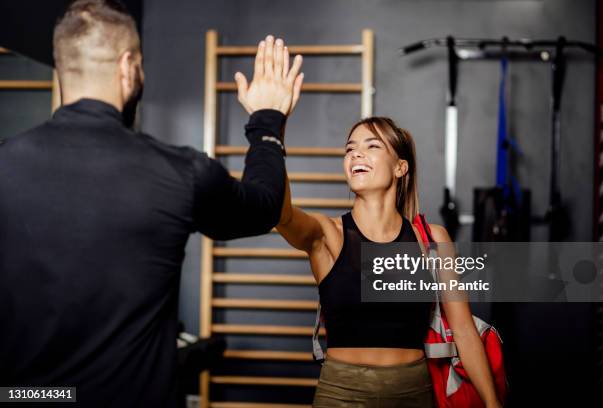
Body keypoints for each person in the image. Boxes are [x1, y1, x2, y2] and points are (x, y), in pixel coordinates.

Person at [0, 0, 303, 406]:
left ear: (61, 69)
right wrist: (267, 119)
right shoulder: (179, 171)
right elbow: (265, 207)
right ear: (128, 67)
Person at [274, 117, 502, 407]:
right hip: (342, 393)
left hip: (414, 392)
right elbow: (282, 216)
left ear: (400, 168)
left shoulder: (432, 241)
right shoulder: (327, 234)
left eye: (371, 146)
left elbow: (465, 331)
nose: (356, 153)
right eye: (350, 149)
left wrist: (493, 404)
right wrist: (274, 133)